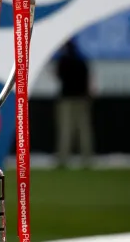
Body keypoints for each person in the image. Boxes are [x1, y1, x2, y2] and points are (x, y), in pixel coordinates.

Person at [55, 40, 93, 168]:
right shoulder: (82, 61)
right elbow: (88, 79)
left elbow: (58, 76)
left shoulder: (63, 61)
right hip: (81, 98)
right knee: (84, 130)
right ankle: (86, 159)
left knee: (66, 129)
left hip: (67, 98)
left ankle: (63, 159)